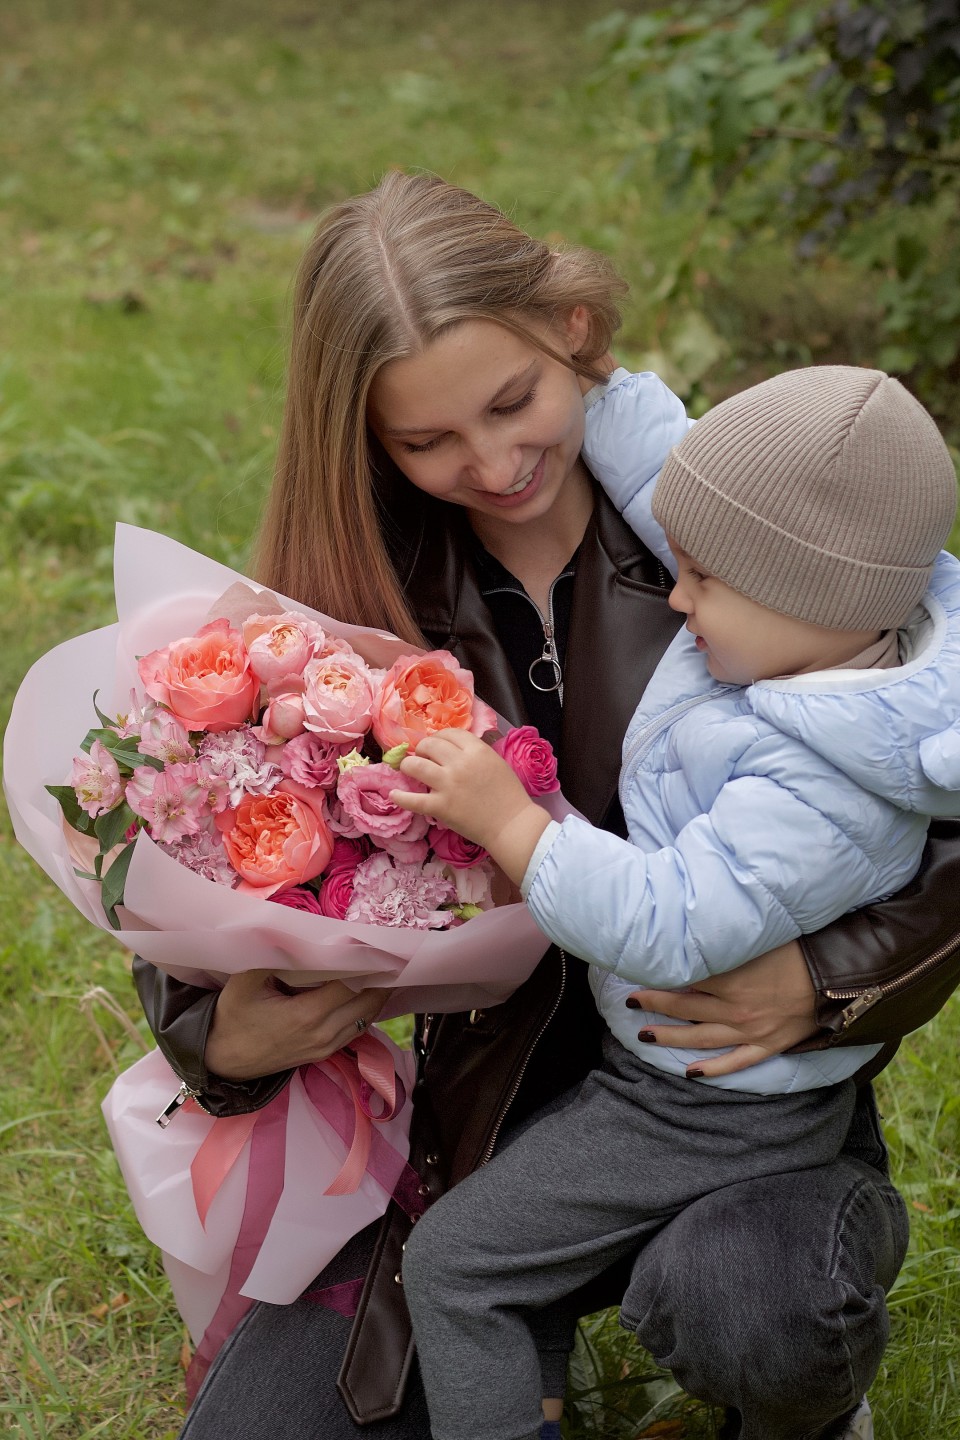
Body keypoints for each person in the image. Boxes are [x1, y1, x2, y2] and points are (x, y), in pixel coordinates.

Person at [131, 173, 960, 1440]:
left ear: (571, 332)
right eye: (427, 442)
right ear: (365, 437)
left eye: (514, 403)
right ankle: (522, 1358)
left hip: (723, 1111)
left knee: (754, 1301)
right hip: (460, 1135)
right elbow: (191, 864)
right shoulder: (343, 603)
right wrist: (216, 1036)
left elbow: (932, 781)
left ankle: (782, 1371)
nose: (494, 462)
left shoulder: (743, 538)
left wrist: (830, 978)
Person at [392, 363, 960, 1440]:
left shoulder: (822, 782)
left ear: (804, 596)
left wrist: (512, 821)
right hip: (669, 1076)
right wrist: (578, 374)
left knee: (459, 1267)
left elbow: (665, 922)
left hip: (707, 1111)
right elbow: (671, 475)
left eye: (697, 578)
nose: (678, 595)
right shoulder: (818, 630)